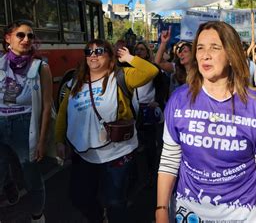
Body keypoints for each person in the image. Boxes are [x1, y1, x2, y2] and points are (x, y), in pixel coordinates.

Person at [156, 21, 256, 223]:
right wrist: (161, 209)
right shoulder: (179, 99)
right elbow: (170, 159)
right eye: (200, 48)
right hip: (189, 211)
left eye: (215, 47)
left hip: (243, 213)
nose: (205, 55)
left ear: (231, 55)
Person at [55, 39, 158, 223]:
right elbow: (63, 113)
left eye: (99, 51)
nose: (93, 55)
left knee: (115, 203)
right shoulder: (75, 82)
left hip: (116, 154)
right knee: (79, 198)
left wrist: (128, 57)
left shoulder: (121, 76)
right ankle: (98, 218)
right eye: (89, 52)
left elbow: (151, 71)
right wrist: (59, 140)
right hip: (85, 154)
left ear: (110, 56)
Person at [0, 20, 53, 223]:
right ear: (8, 39)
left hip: (25, 126)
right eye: (20, 35)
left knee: (31, 177)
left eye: (30, 36)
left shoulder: (41, 67)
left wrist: (41, 141)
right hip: (1, 124)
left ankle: (37, 216)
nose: (26, 39)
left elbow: (47, 105)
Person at [133, 41, 165, 185]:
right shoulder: (129, 67)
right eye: (136, 50)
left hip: (148, 109)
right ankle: (135, 178)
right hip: (134, 110)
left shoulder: (153, 69)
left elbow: (162, 87)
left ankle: (152, 174)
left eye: (141, 49)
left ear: (147, 52)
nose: (139, 52)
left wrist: (157, 101)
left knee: (150, 144)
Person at [155, 27, 192, 95]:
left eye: (185, 51)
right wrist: (163, 42)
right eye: (180, 51)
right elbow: (158, 62)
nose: (181, 54)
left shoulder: (200, 72)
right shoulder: (176, 68)